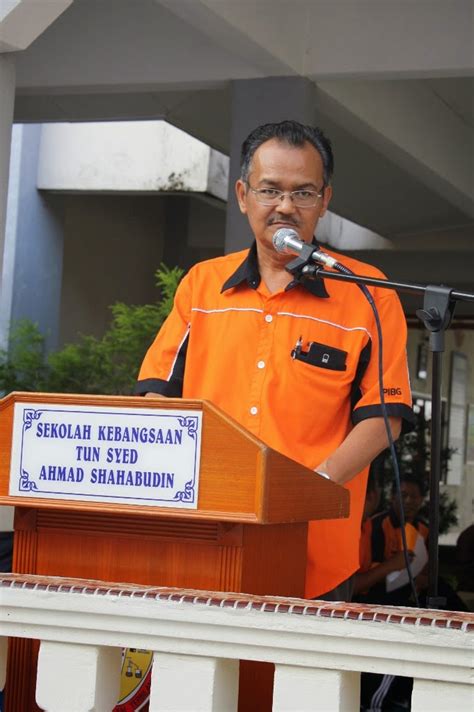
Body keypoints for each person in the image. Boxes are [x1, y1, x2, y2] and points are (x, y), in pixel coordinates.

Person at [135, 120, 413, 601]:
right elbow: (156, 394)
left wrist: (308, 489)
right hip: (205, 537)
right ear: (243, 195)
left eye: (303, 193)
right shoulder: (202, 286)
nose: (285, 206)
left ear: (325, 201)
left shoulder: (368, 294)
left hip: (316, 551)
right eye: (270, 190)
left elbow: (384, 418)